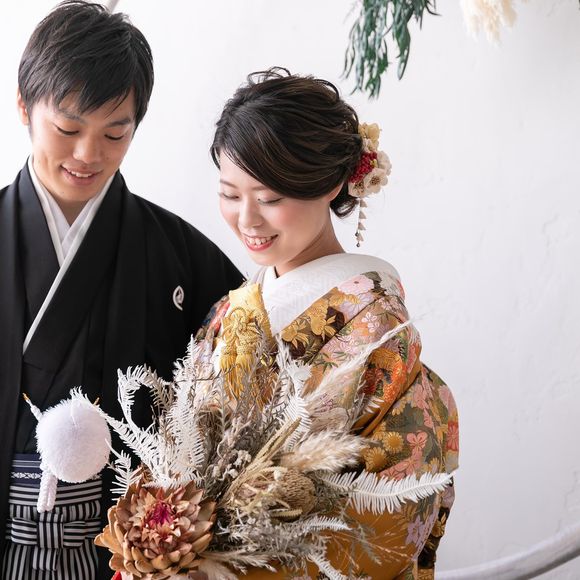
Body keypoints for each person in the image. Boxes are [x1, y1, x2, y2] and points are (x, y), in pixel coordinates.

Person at [0, 2, 242, 579]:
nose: (89, 154)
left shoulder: (181, 256)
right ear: (24, 107)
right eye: (68, 129)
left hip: (132, 553)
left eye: (115, 133)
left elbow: (239, 398)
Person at [195, 68, 460, 579]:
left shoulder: (378, 330)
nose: (247, 219)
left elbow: (394, 513)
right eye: (230, 194)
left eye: (269, 198)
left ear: (332, 183)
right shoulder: (233, 309)